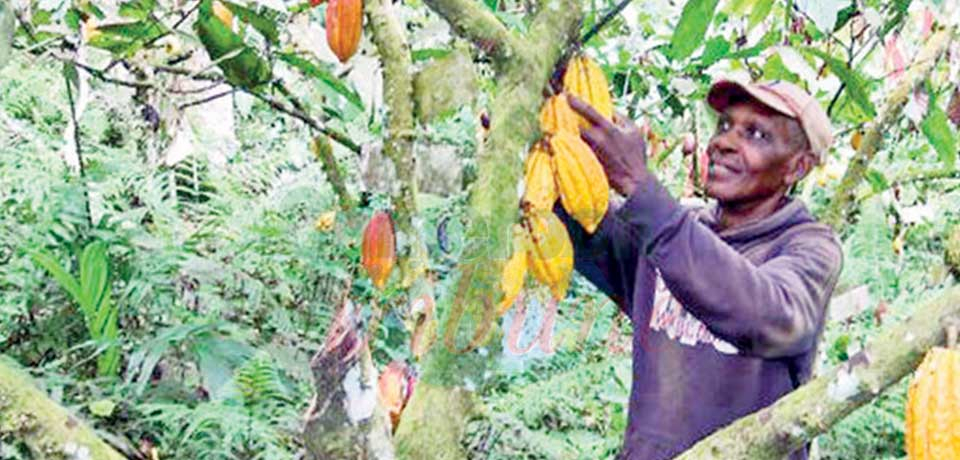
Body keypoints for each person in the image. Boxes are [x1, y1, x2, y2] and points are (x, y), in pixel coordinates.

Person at [558, 79, 843, 460]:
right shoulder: (678, 230)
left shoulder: (810, 247)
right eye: (724, 126)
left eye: (756, 134)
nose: (723, 142)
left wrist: (641, 185)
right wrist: (543, 156)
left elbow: (767, 316)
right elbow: (590, 230)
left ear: (797, 167)